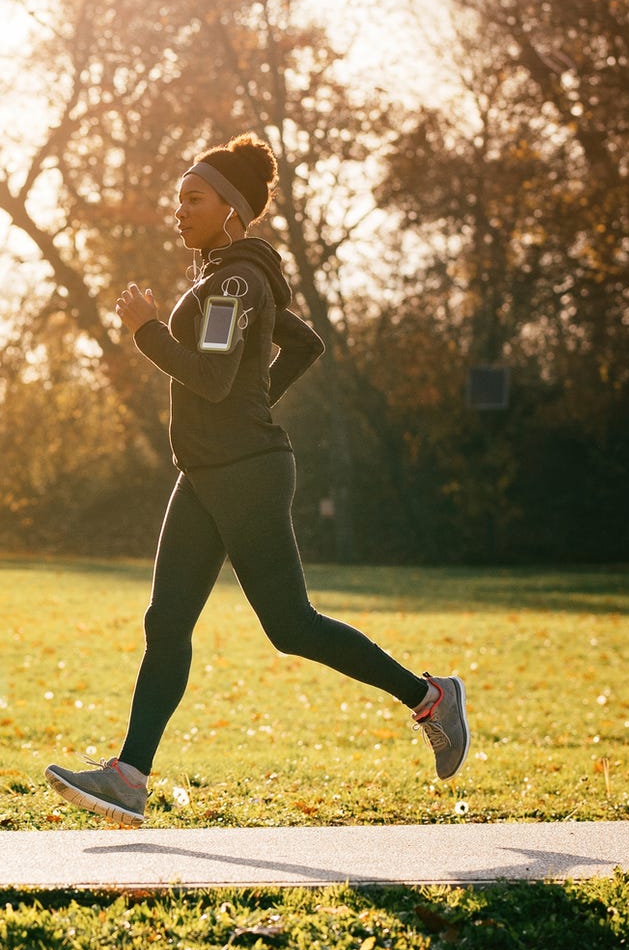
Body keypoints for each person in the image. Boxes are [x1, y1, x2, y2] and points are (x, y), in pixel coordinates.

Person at [44, 134, 469, 827]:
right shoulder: (229, 278)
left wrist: (148, 329)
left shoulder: (235, 282)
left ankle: (432, 698)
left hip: (244, 472)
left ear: (231, 209)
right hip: (210, 469)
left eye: (194, 198)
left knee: (291, 624)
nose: (179, 209)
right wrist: (253, 396)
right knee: (168, 621)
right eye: (178, 197)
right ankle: (128, 776)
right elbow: (301, 344)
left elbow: (211, 375)